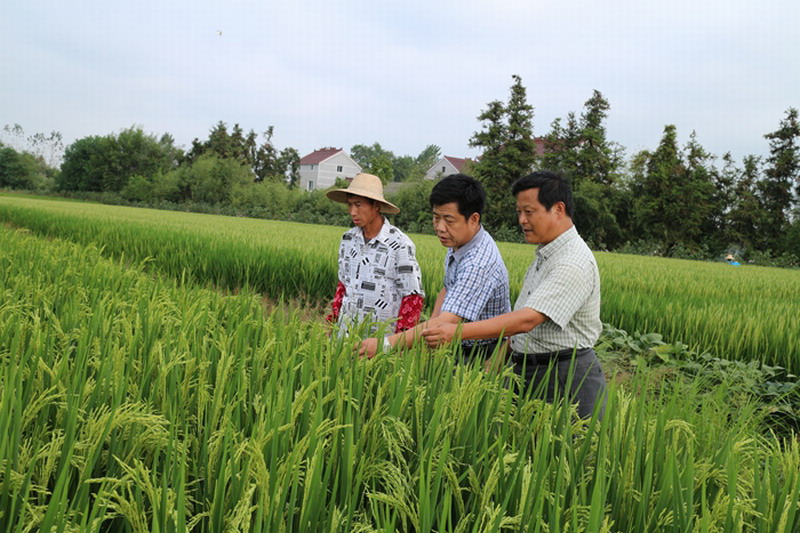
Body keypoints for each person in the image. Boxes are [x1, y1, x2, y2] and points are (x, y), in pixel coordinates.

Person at [421, 171, 607, 418]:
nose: (522, 220)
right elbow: (519, 326)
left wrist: (455, 332)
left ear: (558, 209)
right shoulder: (546, 254)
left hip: (564, 376)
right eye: (519, 212)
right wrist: (492, 367)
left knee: (563, 443)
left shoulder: (572, 262)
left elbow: (527, 320)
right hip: (528, 370)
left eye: (529, 212)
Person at [359, 174, 511, 361]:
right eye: (436, 217)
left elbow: (447, 321)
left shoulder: (479, 263)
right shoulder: (461, 241)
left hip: (479, 353)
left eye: (449, 220)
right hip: (454, 341)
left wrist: (385, 345)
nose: (440, 227)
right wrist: (429, 327)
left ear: (473, 219)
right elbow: (448, 288)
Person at [326, 173, 425, 338]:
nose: (352, 212)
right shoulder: (348, 239)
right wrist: (333, 323)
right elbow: (343, 286)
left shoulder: (399, 244)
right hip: (344, 336)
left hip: (381, 340)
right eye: (350, 205)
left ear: (376, 205)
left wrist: (401, 341)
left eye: (359, 205)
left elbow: (412, 296)